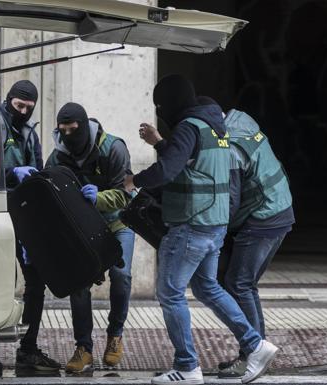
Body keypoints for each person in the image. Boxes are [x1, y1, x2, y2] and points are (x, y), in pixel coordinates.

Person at [124, 75, 278, 385]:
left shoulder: (187, 127)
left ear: (171, 102)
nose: (160, 111)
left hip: (190, 225)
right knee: (208, 288)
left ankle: (187, 366)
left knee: (169, 292)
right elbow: (191, 165)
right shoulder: (215, 130)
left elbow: (168, 169)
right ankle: (255, 344)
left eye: (160, 105)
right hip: (214, 225)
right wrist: (160, 142)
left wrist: (133, 182)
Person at [195, 97, 295, 378]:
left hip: (265, 215)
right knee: (243, 284)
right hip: (278, 206)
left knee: (239, 284)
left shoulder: (230, 148)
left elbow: (229, 203)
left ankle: (253, 354)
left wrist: (209, 233)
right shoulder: (241, 119)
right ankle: (254, 351)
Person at [0, 80, 61, 372]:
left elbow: (36, 171)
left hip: (25, 216)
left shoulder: (29, 132)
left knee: (36, 283)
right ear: (8, 100)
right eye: (18, 105)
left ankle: (28, 349)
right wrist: (13, 173)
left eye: (28, 107)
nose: (22, 111)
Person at [45, 102, 135, 373]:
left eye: (74, 130)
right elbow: (49, 191)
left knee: (122, 276)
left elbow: (126, 193)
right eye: (63, 131)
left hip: (117, 223)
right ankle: (83, 347)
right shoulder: (58, 155)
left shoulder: (113, 148)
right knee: (79, 283)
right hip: (82, 230)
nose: (68, 136)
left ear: (83, 127)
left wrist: (99, 198)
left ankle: (115, 335)